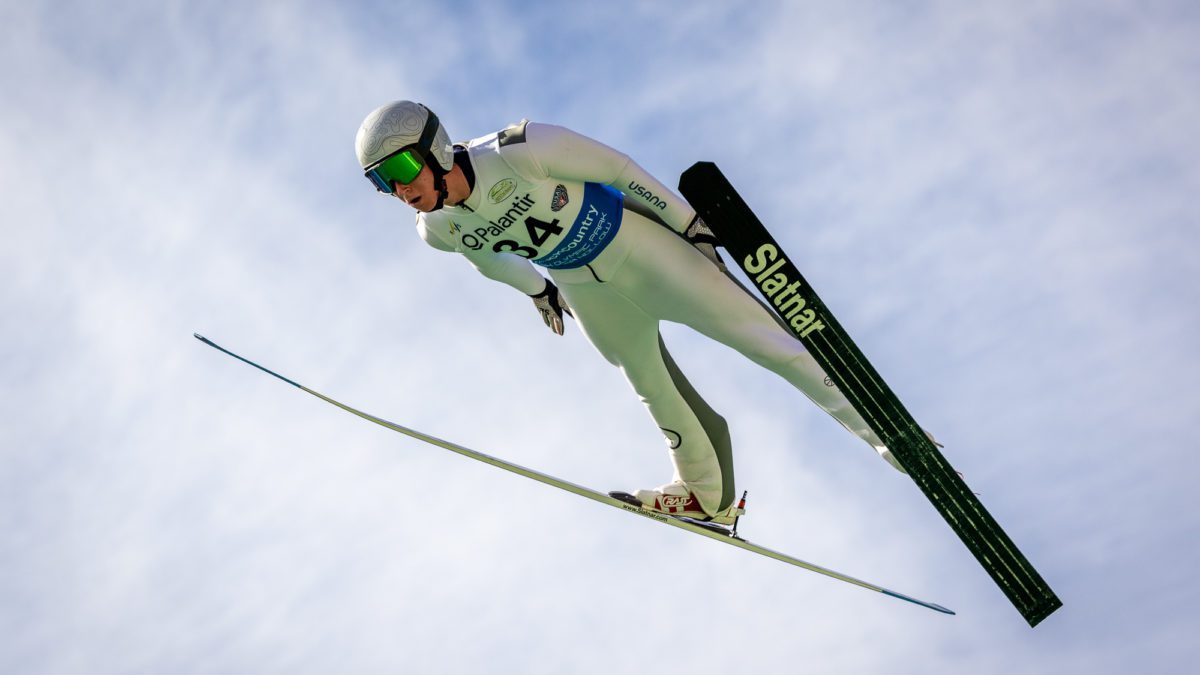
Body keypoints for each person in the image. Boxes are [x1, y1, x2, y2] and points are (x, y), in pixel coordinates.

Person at [355, 100, 904, 524]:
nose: (400, 188)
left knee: (764, 341)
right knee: (650, 385)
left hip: (639, 249)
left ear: (436, 147)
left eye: (402, 166)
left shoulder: (518, 150)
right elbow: (489, 262)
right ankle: (706, 497)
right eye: (383, 181)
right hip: (585, 287)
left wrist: (689, 225)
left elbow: (620, 170)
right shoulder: (439, 229)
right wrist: (539, 292)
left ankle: (891, 439)